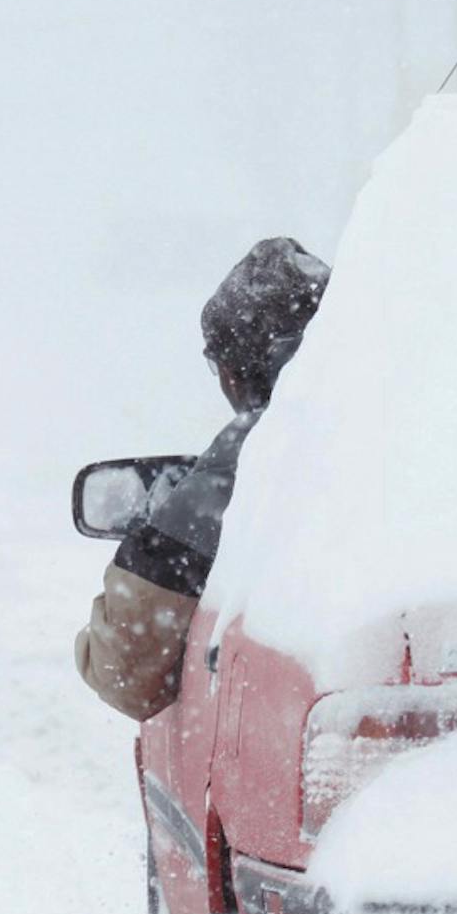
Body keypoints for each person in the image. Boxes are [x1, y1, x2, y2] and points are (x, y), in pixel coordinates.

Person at [75, 237, 329, 719]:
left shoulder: (249, 463)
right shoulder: (422, 423)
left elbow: (127, 675)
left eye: (217, 364)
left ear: (240, 370)